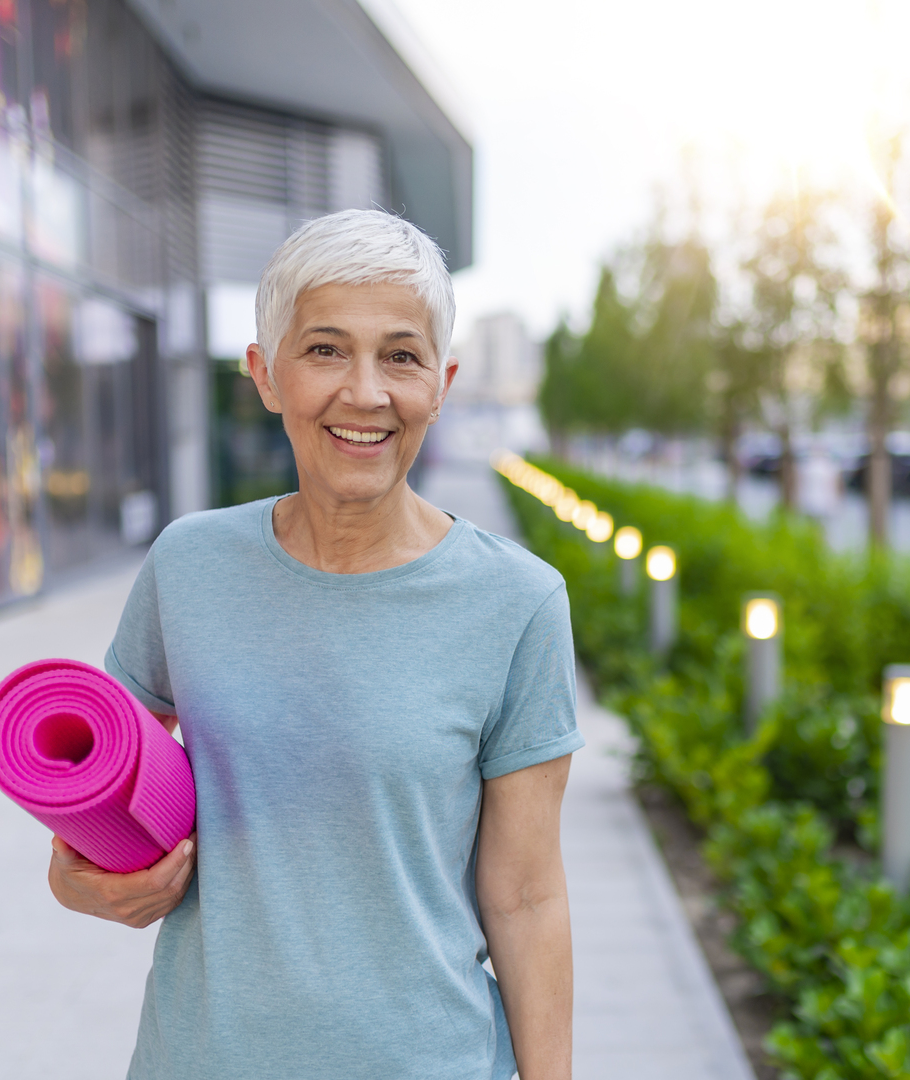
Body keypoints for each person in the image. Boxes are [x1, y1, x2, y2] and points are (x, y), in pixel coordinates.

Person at [44, 209, 581, 1080]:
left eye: (400, 356)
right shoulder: (188, 566)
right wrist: (80, 882)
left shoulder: (516, 603)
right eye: (326, 349)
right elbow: (94, 797)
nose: (365, 392)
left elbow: (525, 897)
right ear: (265, 373)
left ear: (441, 382)